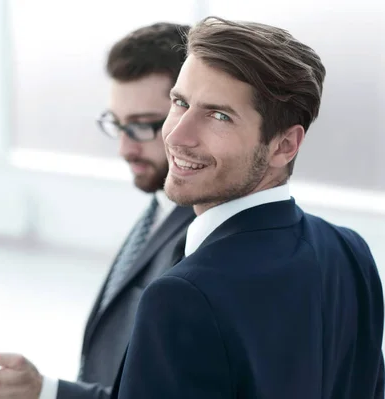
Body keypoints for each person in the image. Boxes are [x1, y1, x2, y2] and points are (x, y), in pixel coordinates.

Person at [111, 16, 384, 399]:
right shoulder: (350, 252)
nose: (176, 134)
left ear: (284, 145)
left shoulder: (182, 296)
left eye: (219, 115)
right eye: (180, 102)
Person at [0, 23, 195, 399]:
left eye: (144, 126)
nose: (124, 150)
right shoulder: (159, 208)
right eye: (118, 125)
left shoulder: (203, 234)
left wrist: (45, 392)